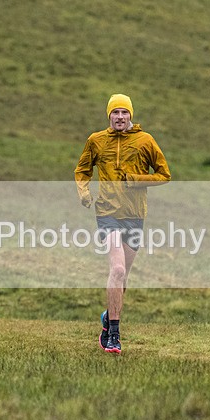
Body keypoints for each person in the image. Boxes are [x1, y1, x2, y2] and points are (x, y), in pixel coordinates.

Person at [75, 94, 171, 353]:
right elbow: (82, 170)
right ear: (109, 115)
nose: (119, 117)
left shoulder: (145, 141)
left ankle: (108, 318)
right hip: (107, 213)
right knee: (116, 270)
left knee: (123, 277)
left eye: (124, 113)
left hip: (135, 215)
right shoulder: (96, 140)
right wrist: (84, 193)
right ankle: (114, 336)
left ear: (131, 115)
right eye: (115, 113)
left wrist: (136, 180)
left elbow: (164, 175)